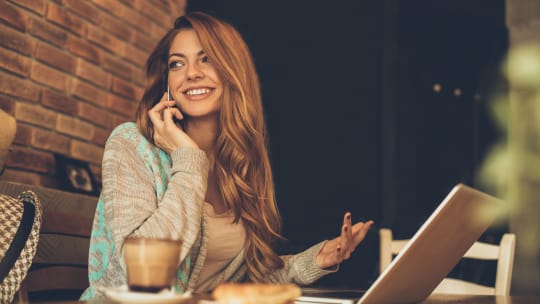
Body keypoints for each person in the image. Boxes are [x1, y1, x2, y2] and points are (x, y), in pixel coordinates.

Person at [80, 11, 373, 299]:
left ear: (233, 71)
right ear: (167, 82)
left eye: (206, 58)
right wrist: (188, 159)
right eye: (176, 64)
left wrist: (318, 259)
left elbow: (245, 279)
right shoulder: (131, 144)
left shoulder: (238, 164)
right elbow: (135, 276)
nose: (191, 73)